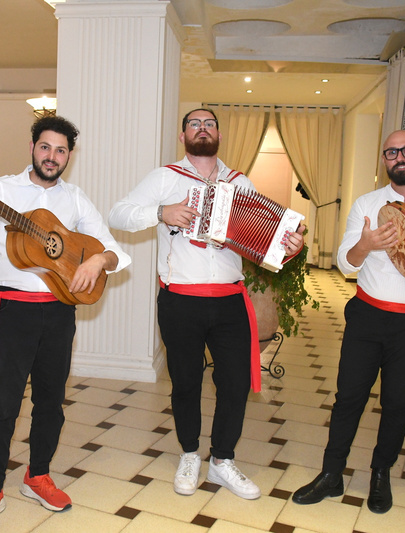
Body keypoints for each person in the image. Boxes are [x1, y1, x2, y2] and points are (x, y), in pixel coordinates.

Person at [108, 108, 305, 500]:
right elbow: (118, 215)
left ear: (219, 135)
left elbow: (263, 244)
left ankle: (222, 460)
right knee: (185, 382)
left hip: (230, 300)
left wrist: (288, 247)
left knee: (235, 383)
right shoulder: (165, 177)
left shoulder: (240, 183)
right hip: (180, 300)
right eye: (194, 124)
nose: (202, 129)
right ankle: (189, 454)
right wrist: (162, 212)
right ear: (183, 136)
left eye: (209, 124)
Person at [0, 115, 131, 533]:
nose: (52, 156)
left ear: (69, 156)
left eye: (61, 150)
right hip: (12, 312)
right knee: (3, 406)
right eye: (46, 147)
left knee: (51, 401)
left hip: (59, 312)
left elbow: (113, 251)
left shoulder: (75, 198)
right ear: (32, 147)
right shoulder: (1, 190)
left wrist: (96, 261)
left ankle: (38, 475)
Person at [291, 130, 405, 513]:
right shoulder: (367, 204)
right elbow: (346, 262)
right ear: (384, 159)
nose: (399, 157)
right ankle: (331, 474)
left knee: (396, 402)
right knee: (348, 397)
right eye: (391, 152)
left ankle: (380, 473)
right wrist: (367, 244)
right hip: (367, 316)